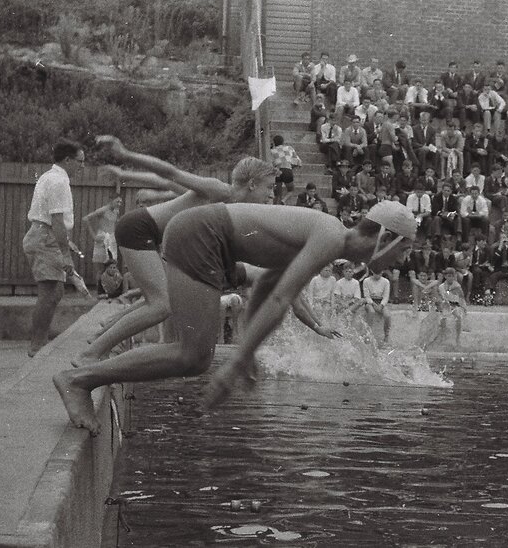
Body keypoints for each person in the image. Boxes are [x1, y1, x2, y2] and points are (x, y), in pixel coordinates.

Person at [54, 201, 417, 433]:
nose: (402, 262)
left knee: (194, 357)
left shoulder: (328, 238)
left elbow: (274, 290)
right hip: (204, 235)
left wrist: (247, 346)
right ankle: (79, 379)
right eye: (403, 252)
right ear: (386, 238)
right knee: (194, 356)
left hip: (210, 241)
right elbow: (279, 299)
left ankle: (85, 376)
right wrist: (239, 360)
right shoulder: (330, 237)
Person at [73, 138, 277, 367]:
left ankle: (104, 331)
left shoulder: (231, 207)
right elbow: (170, 172)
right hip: (139, 229)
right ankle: (90, 354)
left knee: (165, 296)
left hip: (148, 235)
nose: (270, 194)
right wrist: (126, 156)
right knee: (162, 305)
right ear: (251, 184)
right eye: (268, 187)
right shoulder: (218, 190)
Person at [22, 139, 88, 357]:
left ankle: (40, 343)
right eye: (79, 162)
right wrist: (66, 254)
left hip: (43, 235)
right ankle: (37, 346)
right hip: (44, 237)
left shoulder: (49, 177)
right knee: (50, 292)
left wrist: (65, 242)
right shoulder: (59, 181)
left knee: (55, 291)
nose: (82, 166)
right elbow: (56, 220)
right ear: (67, 160)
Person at [417, 267, 467, 349]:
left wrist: (464, 308)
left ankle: (457, 338)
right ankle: (439, 337)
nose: (450, 278)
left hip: (454, 305)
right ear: (445, 277)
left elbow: (461, 298)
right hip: (445, 305)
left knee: (457, 317)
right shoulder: (441, 286)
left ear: (454, 277)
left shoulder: (457, 286)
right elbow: (442, 297)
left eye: (452, 276)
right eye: (448, 276)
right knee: (441, 320)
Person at [82, 196, 122, 290]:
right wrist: (94, 236)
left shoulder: (116, 211)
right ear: (111, 201)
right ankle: (100, 290)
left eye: (120, 202)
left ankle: (111, 290)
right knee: (100, 267)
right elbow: (86, 219)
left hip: (111, 239)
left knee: (112, 264)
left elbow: (114, 224)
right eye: (117, 202)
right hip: (102, 238)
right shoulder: (102, 210)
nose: (119, 204)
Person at [361, 269, 393, 343]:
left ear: (382, 272)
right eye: (376, 273)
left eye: (379, 273)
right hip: (370, 302)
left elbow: (386, 296)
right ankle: (367, 333)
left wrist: (381, 305)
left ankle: (386, 335)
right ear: (372, 272)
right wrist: (373, 304)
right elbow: (367, 296)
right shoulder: (366, 281)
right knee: (371, 312)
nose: (377, 275)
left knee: (387, 315)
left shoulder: (386, 282)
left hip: (381, 301)